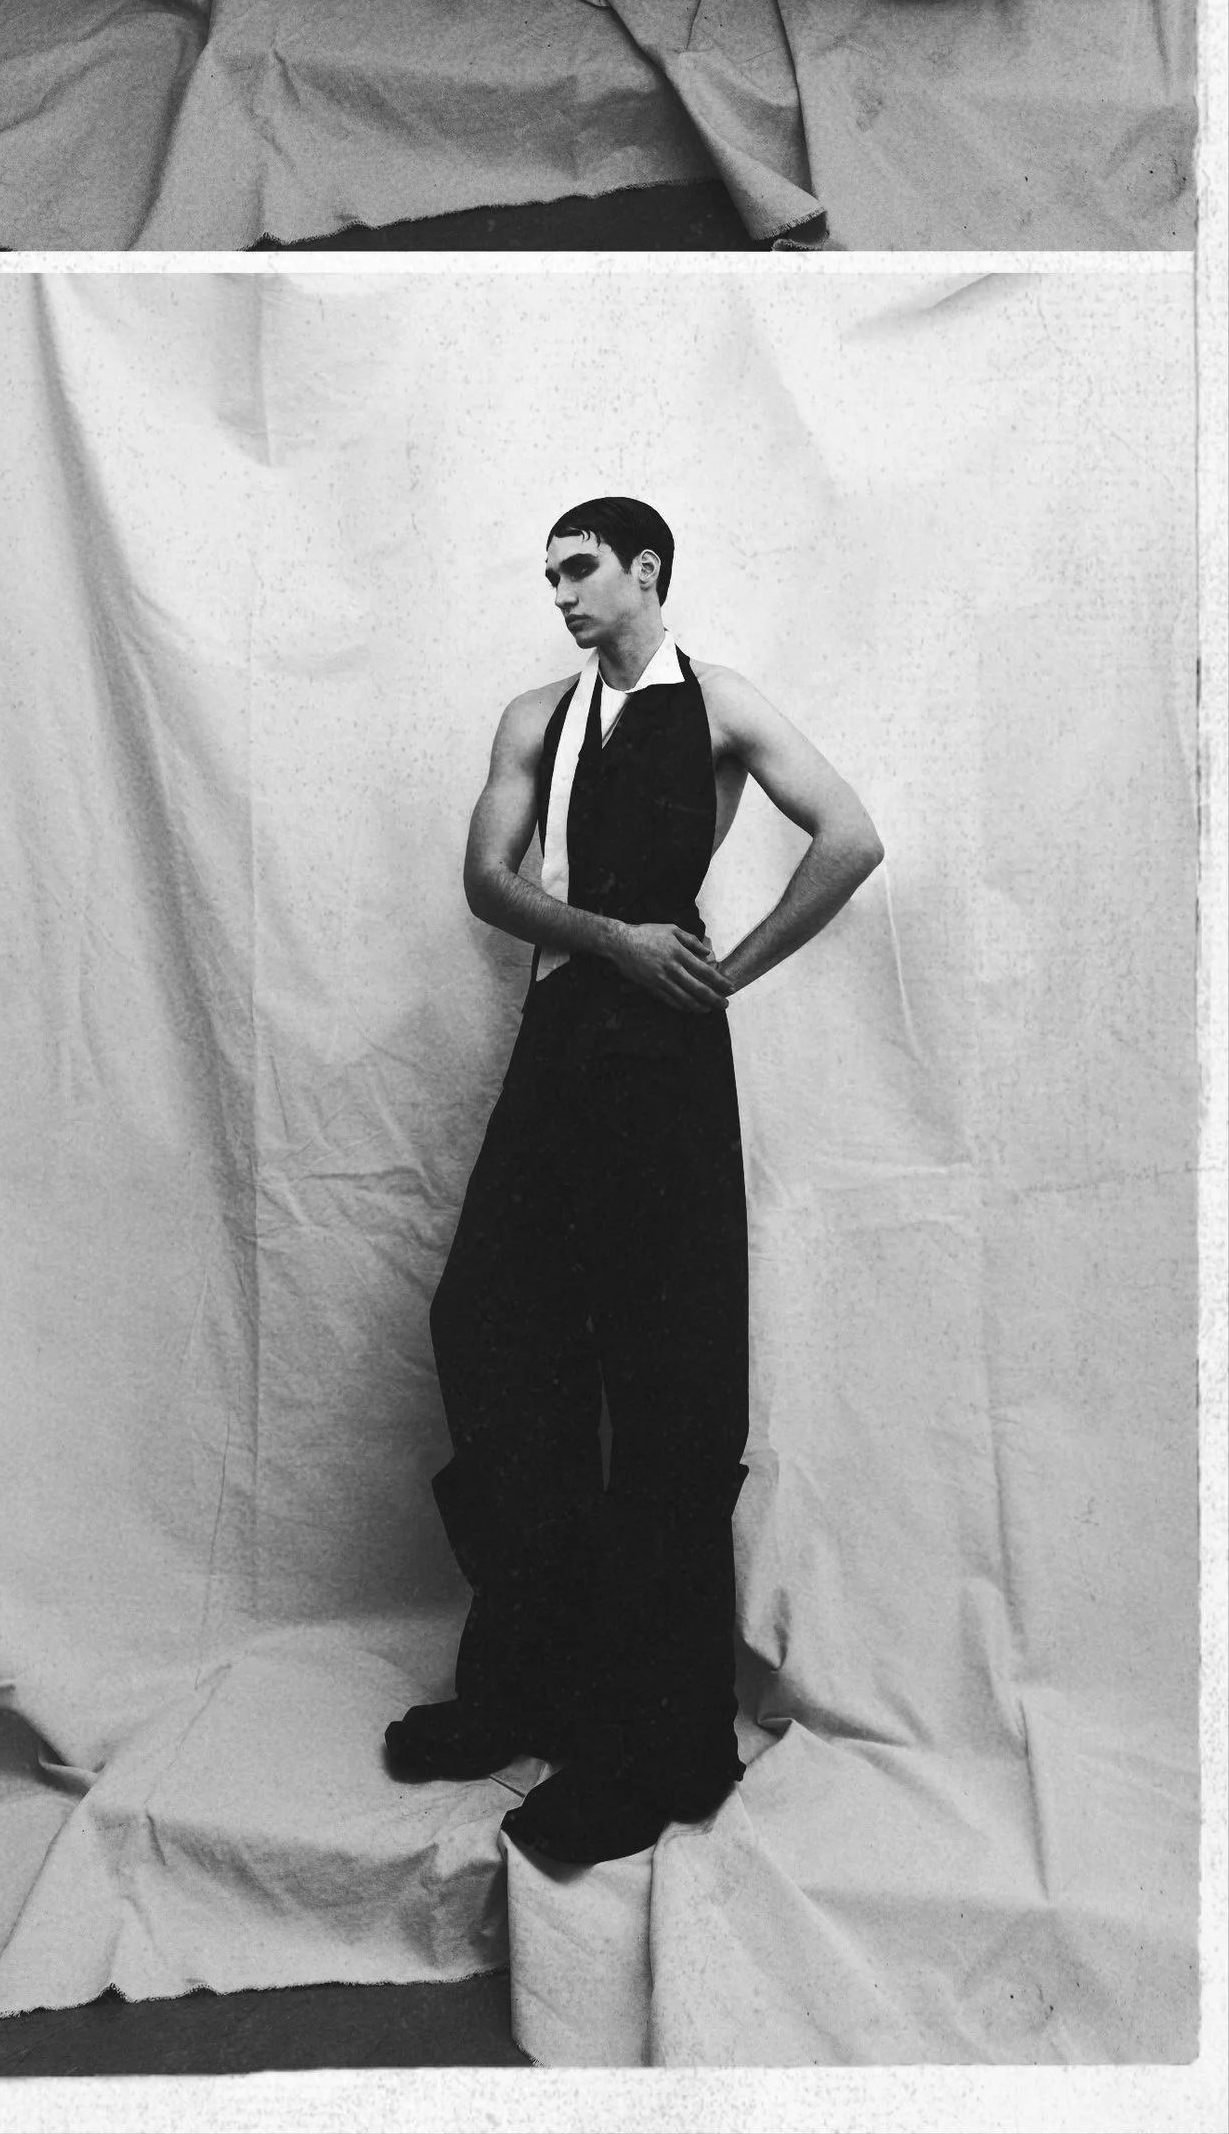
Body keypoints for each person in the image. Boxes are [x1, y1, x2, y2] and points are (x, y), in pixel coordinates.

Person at [385, 495, 882, 1868]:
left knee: (669, 1388)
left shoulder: (723, 703)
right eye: (547, 572)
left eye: (580, 567)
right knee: (490, 1328)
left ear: (646, 569)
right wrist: (613, 939)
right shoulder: (532, 718)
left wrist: (727, 972)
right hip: (561, 1042)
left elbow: (848, 838)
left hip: (666, 1065)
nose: (558, 591)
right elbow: (488, 880)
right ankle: (527, 1683)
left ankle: (658, 1748)